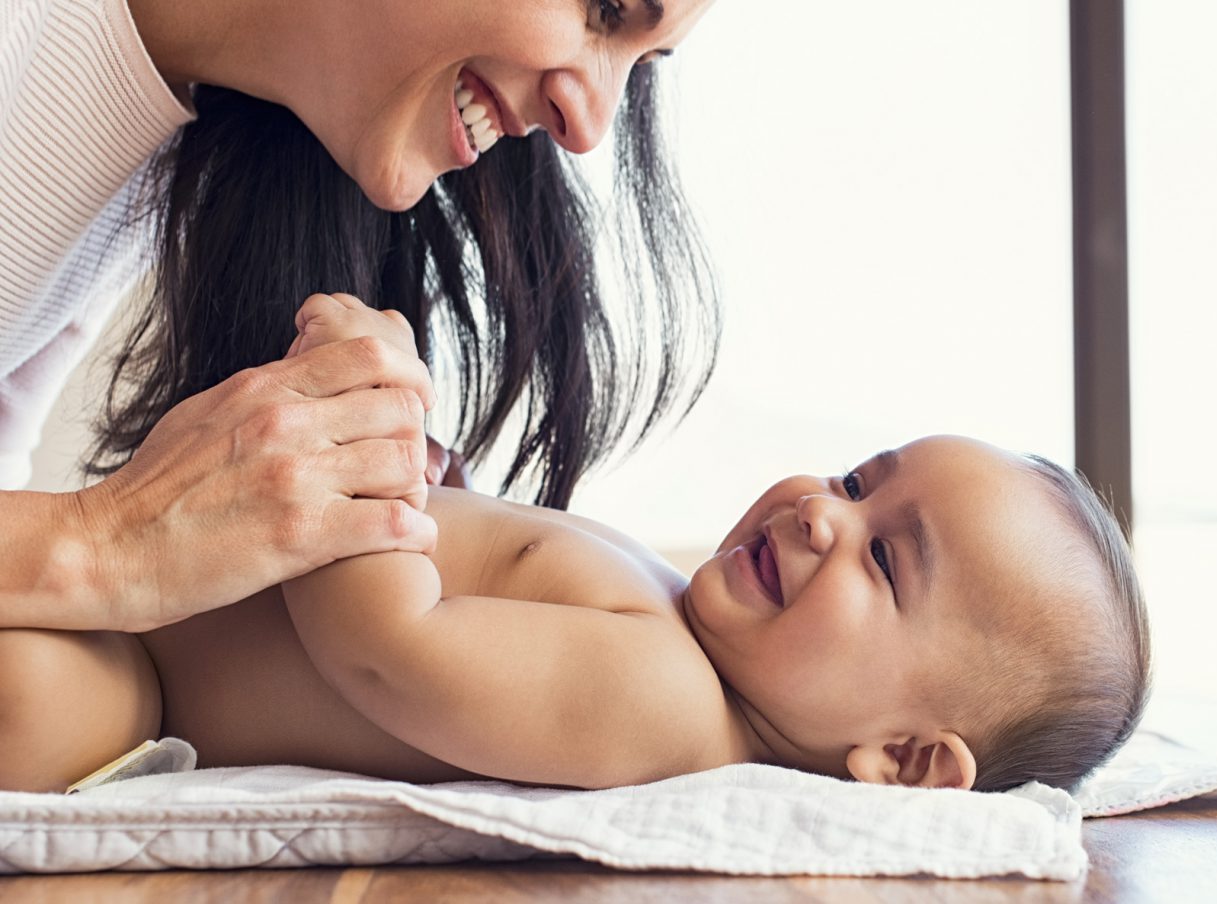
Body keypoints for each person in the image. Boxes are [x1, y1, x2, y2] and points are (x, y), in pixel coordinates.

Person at [0, 289, 1151, 793]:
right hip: (155, 605)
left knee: (25, 694)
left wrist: (362, 428)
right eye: (858, 480)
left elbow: (388, 650)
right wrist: (451, 495)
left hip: (146, 683)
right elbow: (488, 569)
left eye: (884, 558)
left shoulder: (667, 700)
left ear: (903, 761)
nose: (820, 511)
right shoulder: (681, 630)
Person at [0, 1, 720, 633]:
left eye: (643, 65)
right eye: (602, 7)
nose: (591, 128)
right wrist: (108, 541)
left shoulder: (149, 125)